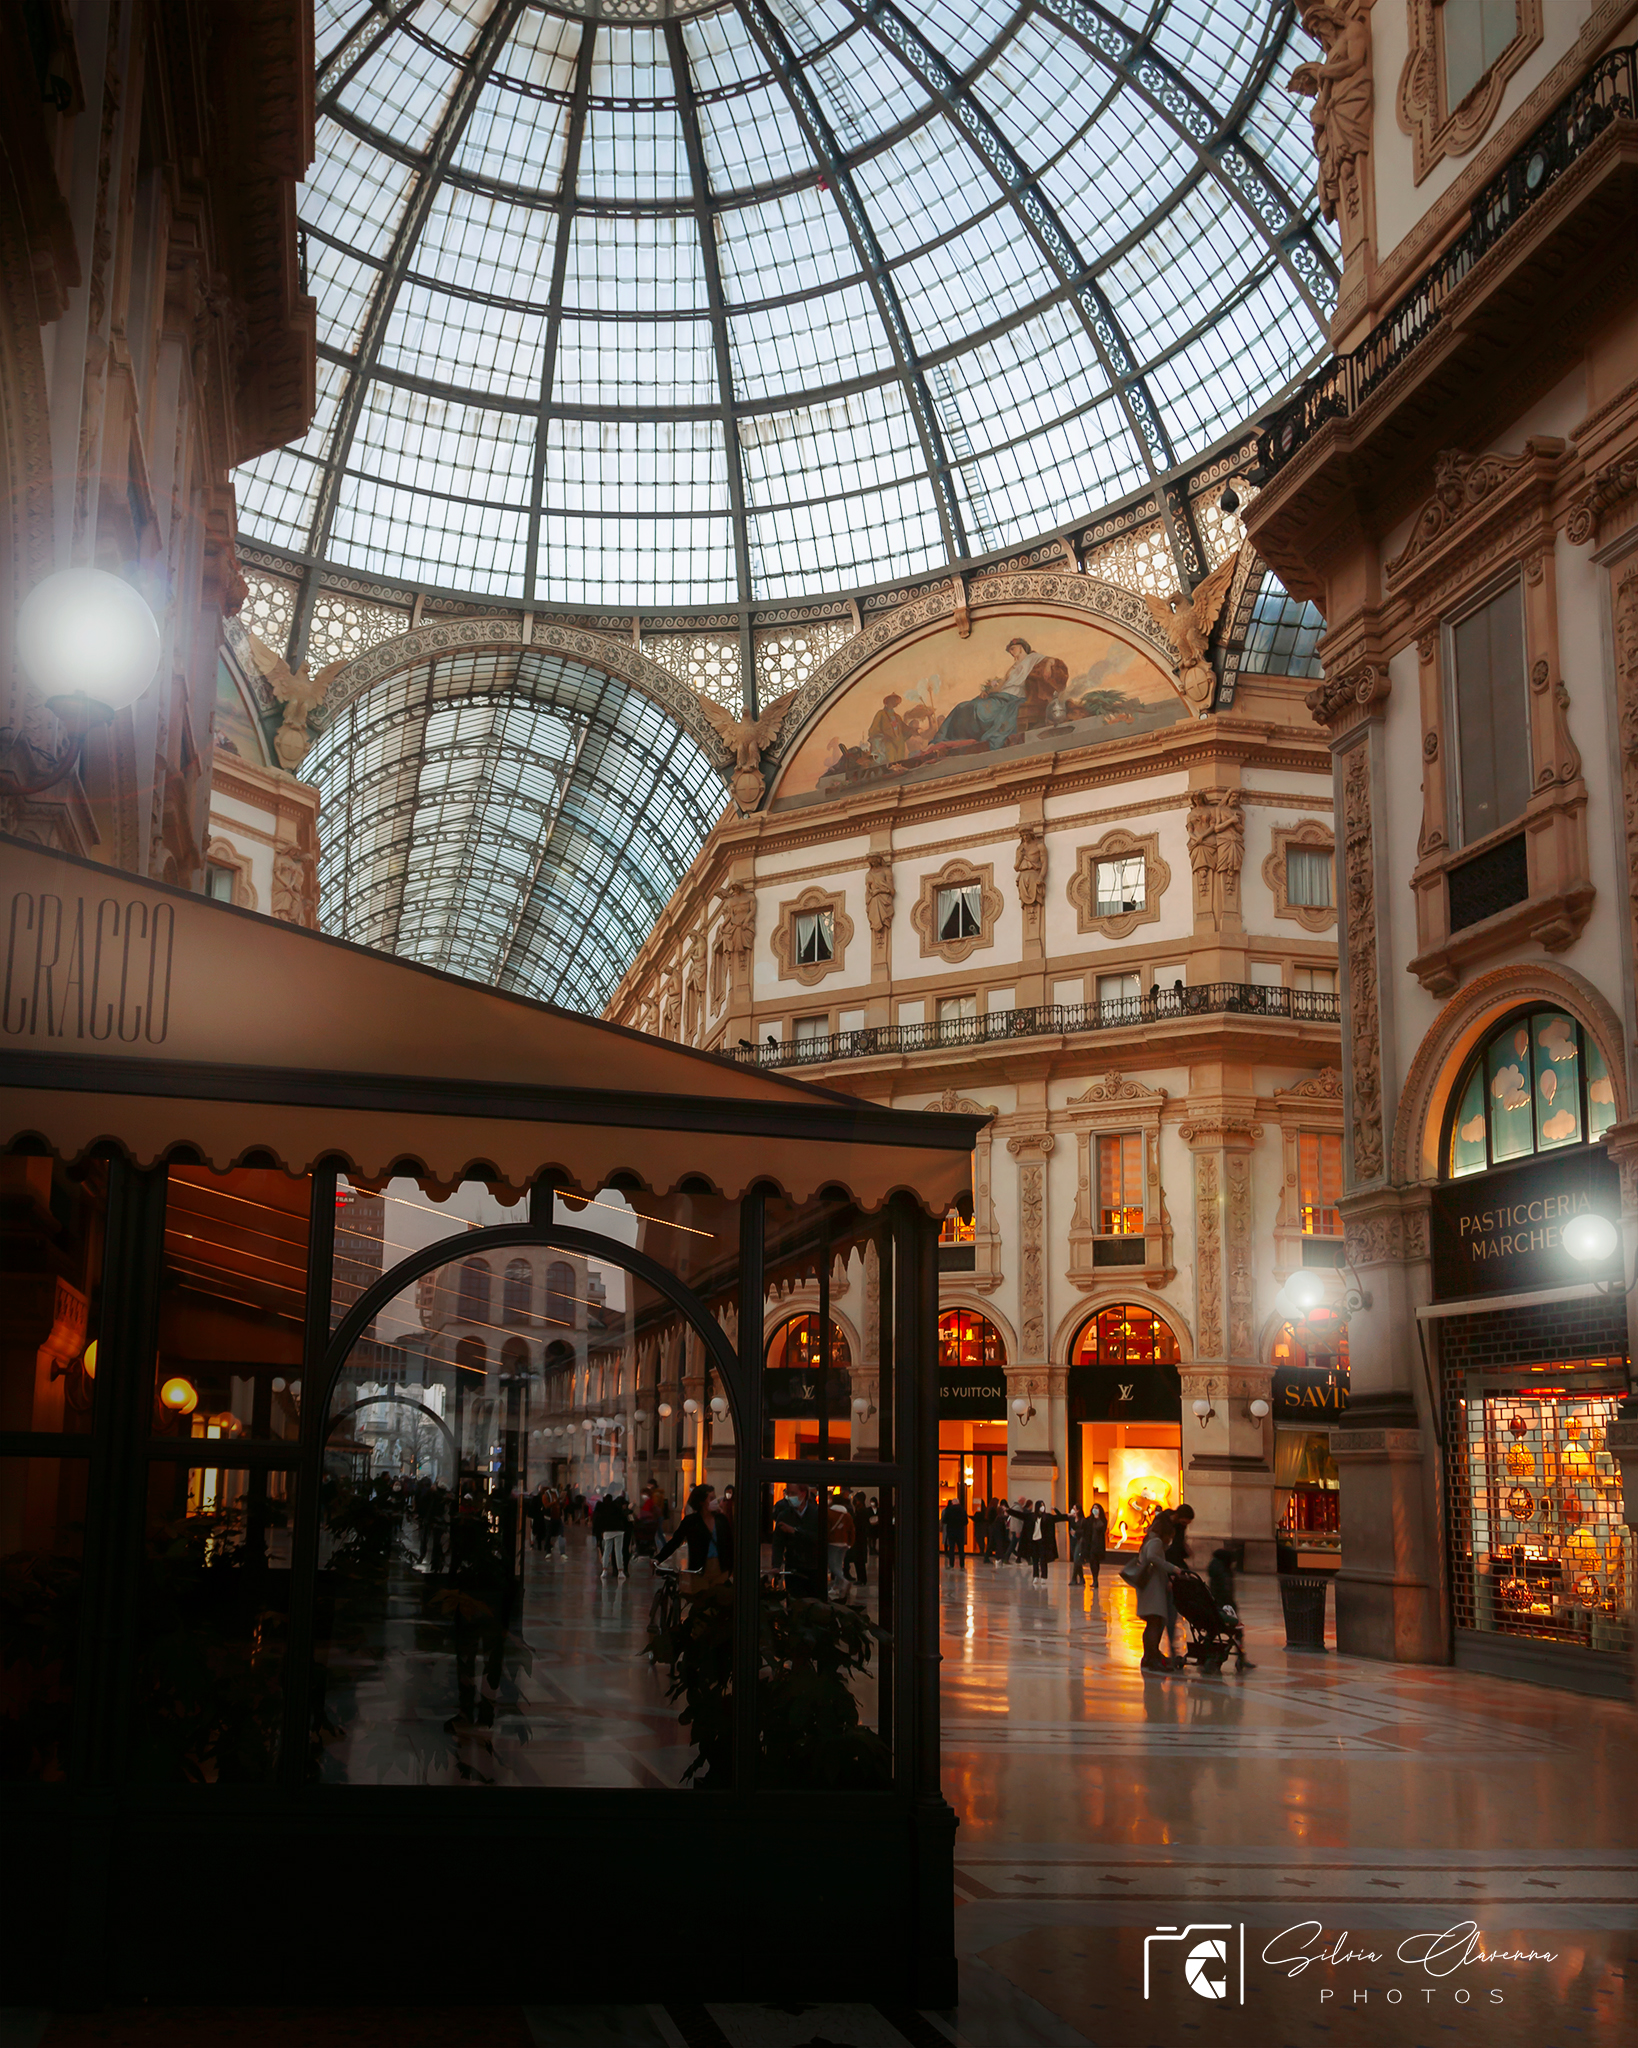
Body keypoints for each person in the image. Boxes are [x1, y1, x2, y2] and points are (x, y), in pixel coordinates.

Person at [653, 1482, 731, 1590]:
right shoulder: (691, 1522)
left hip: (721, 1570)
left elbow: (730, 1543)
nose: (715, 1501)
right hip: (699, 1571)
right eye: (711, 1498)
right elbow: (675, 1541)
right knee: (701, 1598)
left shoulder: (721, 1520)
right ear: (701, 1502)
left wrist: (730, 1569)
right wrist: (658, 1559)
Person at [1134, 1509, 1180, 1673]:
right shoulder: (1156, 1542)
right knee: (1155, 1622)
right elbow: (1153, 1557)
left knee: (1153, 1622)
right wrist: (1172, 1568)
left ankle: (1150, 1655)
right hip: (1152, 1589)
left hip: (1150, 1587)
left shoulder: (1150, 1539)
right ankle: (1152, 1657)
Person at [1206, 1545, 1256, 1672]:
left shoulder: (1214, 1571)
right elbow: (1227, 1595)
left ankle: (1205, 1653)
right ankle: (1241, 1657)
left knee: (1211, 1632)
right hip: (1224, 1612)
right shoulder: (1224, 1574)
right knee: (1238, 1630)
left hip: (1213, 1610)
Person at [772, 1480, 824, 1596]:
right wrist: (776, 1565)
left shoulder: (816, 1513)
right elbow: (778, 1543)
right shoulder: (784, 1515)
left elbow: (819, 1538)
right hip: (793, 1568)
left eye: (793, 1493)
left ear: (803, 1493)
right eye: (788, 1493)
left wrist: (795, 1531)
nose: (790, 1497)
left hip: (813, 1568)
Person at [1165, 1503, 1196, 1661]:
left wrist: (1186, 1549)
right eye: (1184, 1522)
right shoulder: (1167, 1525)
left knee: (1173, 1611)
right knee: (1168, 1613)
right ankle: (1169, 1648)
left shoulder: (1179, 1528)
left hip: (1177, 1572)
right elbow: (1169, 1554)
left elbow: (1178, 1549)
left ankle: (1172, 1647)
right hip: (1170, 1573)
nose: (1185, 1526)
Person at [1081, 1496, 1109, 1592]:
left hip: (1098, 1545)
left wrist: (1098, 1518)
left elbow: (1102, 1529)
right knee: (1092, 1562)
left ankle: (1096, 1579)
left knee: (1096, 1562)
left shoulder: (1102, 1520)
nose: (1095, 1510)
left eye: (1096, 1508)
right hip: (1090, 1545)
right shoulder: (1089, 1520)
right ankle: (1094, 1579)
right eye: (1093, 1508)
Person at [847, 1491, 871, 1587]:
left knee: (859, 1559)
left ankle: (862, 1578)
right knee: (858, 1560)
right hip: (858, 1538)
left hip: (860, 1539)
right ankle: (860, 1578)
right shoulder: (859, 1511)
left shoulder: (862, 1512)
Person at [939, 1495, 966, 1568]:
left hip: (951, 1531)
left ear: (952, 1503)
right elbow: (966, 1521)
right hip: (960, 1532)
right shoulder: (962, 1510)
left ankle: (951, 1564)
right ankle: (962, 1565)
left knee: (951, 1548)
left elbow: (944, 1520)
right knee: (961, 1549)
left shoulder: (948, 1510)